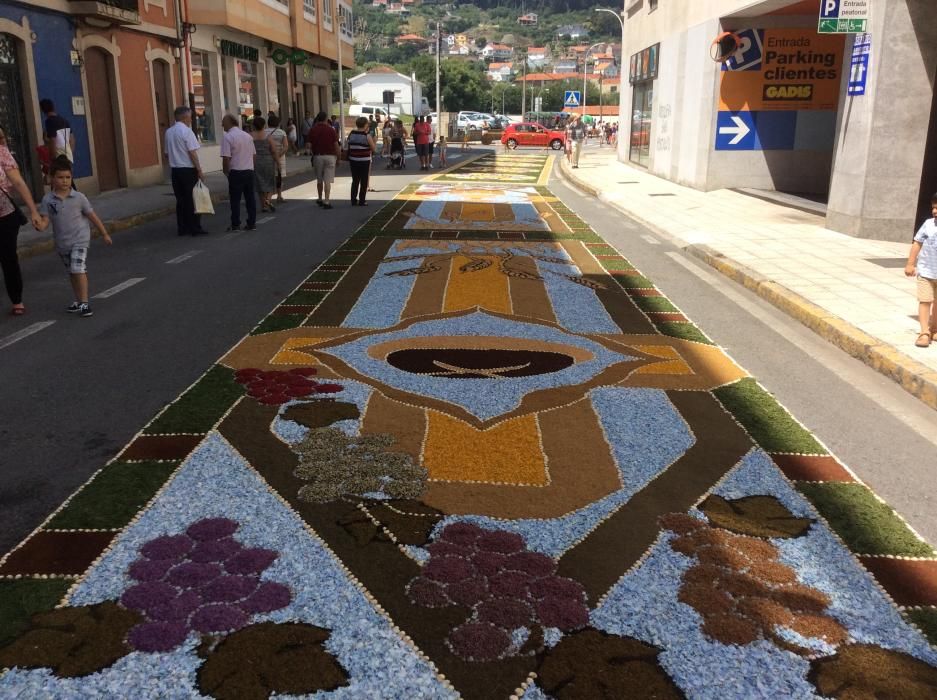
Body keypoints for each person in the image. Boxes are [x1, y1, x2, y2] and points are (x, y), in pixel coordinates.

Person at [35, 158, 111, 318]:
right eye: (60, 177)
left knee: (78, 269)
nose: (64, 181)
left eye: (67, 177)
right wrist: (39, 225)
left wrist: (104, 233)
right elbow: (45, 221)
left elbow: (92, 215)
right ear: (51, 178)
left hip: (80, 239)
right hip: (63, 242)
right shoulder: (48, 200)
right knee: (72, 272)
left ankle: (84, 303)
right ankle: (78, 301)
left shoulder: (79, 197)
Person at [0, 124, 43, 316]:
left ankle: (16, 300)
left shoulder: (2, 153)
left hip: (5, 216)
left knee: (8, 258)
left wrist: (34, 211)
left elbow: (18, 182)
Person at [165, 106, 206, 236]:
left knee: (181, 200)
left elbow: (166, 154)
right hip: (188, 170)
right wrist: (199, 170)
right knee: (193, 199)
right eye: (189, 116)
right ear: (184, 117)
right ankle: (194, 227)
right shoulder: (187, 132)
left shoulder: (169, 132)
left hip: (175, 170)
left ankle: (182, 227)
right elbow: (192, 152)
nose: (191, 119)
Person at [905, 192, 937, 347]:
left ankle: (935, 329)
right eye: (933, 207)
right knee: (925, 301)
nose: (934, 211)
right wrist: (910, 264)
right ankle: (924, 332)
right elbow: (917, 243)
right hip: (926, 272)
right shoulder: (928, 224)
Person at [220, 114, 256, 232]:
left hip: (236, 171)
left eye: (223, 123)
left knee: (235, 200)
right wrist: (251, 166)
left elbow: (226, 158)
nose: (222, 125)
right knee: (250, 198)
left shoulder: (228, 137)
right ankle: (252, 223)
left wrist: (226, 171)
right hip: (249, 171)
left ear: (229, 123)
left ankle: (235, 224)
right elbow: (254, 155)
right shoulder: (248, 136)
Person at [308, 111, 340, 209]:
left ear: (317, 119)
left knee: (319, 179)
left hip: (318, 156)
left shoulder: (312, 130)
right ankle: (327, 201)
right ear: (326, 119)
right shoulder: (331, 130)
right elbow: (336, 146)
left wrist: (313, 151)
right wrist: (338, 158)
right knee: (327, 180)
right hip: (330, 156)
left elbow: (308, 145)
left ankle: (320, 198)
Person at [345, 117, 376, 206]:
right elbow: (373, 149)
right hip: (364, 161)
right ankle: (362, 200)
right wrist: (374, 142)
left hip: (353, 160)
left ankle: (353, 200)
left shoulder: (352, 134)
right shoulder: (367, 135)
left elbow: (348, 144)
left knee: (355, 180)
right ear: (365, 125)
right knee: (364, 180)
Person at [250, 116, 277, 213]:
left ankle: (264, 206)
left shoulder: (250, 136)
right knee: (270, 182)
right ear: (264, 125)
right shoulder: (268, 136)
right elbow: (273, 150)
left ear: (254, 125)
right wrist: (277, 161)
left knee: (259, 183)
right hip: (268, 161)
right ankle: (268, 200)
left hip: (256, 161)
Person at [39, 99, 76, 169]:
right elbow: (72, 138)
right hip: (68, 154)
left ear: (42, 109)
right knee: (67, 175)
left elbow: (53, 139)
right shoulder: (64, 120)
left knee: (59, 176)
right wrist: (70, 153)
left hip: (58, 155)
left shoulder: (50, 121)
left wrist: (52, 156)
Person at [267, 115, 289, 204]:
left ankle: (268, 196)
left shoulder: (264, 132)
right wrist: (279, 155)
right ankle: (279, 196)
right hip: (280, 157)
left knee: (269, 177)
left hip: (268, 157)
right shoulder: (282, 132)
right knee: (279, 177)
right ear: (277, 123)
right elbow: (286, 146)